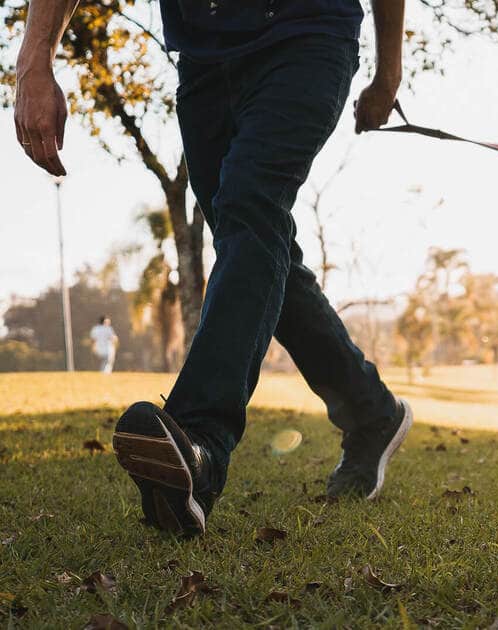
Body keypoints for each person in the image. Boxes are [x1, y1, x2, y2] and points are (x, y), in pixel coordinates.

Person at [14, 0, 413, 536]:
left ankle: (199, 441)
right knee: (254, 242)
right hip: (204, 61)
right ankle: (370, 412)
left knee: (252, 212)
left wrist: (388, 75)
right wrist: (34, 64)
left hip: (306, 33)